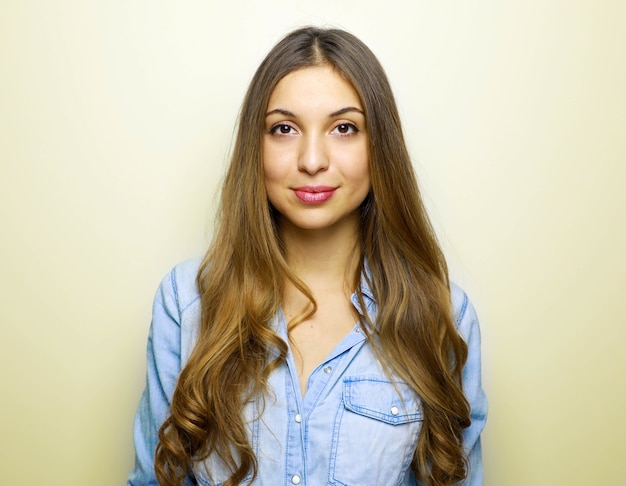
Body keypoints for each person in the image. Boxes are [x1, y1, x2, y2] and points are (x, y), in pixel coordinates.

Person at [128, 26, 487, 486]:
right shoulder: (186, 304)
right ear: (255, 148)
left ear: (380, 146)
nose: (312, 159)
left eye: (344, 128)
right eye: (284, 128)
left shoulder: (443, 317)